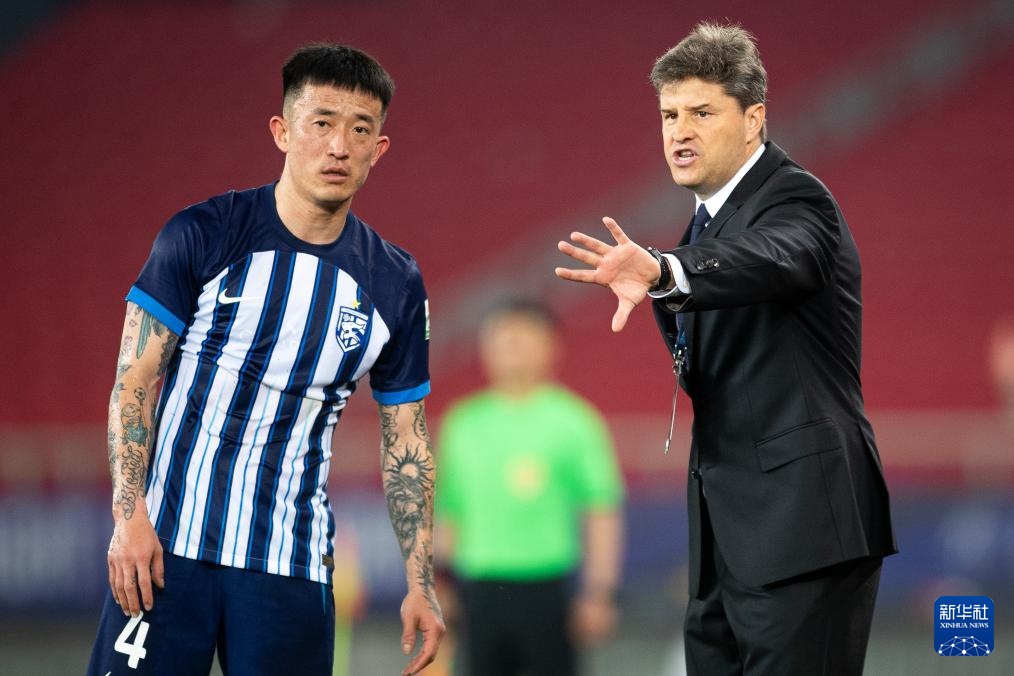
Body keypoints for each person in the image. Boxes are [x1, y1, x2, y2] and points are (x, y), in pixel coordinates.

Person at [88, 43, 444, 676]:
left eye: (360, 130)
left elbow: (406, 437)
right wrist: (129, 516)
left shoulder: (394, 283)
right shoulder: (202, 232)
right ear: (282, 131)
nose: (339, 146)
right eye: (321, 123)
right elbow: (135, 380)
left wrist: (421, 583)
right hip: (166, 550)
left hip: (290, 566)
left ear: (379, 149)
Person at [555, 22, 896, 675]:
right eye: (669, 115)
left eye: (702, 113)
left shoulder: (796, 197)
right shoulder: (702, 224)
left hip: (803, 533)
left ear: (753, 120)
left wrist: (666, 271)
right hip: (726, 548)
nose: (679, 131)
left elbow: (774, 256)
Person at [434, 299, 625, 676]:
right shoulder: (462, 423)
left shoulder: (575, 421)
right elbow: (447, 511)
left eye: (522, 338)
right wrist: (437, 585)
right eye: (501, 338)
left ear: (550, 346)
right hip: (478, 590)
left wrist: (599, 592)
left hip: (547, 588)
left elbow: (602, 511)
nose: (511, 348)